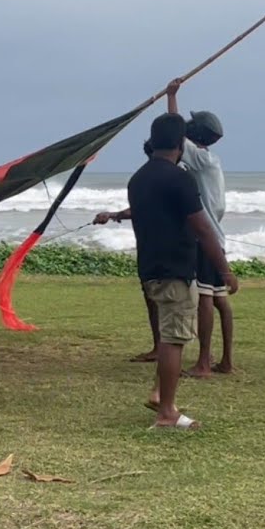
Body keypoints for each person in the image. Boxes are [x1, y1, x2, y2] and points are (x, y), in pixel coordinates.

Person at [127, 112, 238, 430]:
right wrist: (225, 271)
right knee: (174, 339)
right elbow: (203, 228)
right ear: (180, 143)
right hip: (176, 268)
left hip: (149, 266)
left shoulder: (138, 178)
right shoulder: (180, 178)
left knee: (167, 335)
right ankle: (167, 412)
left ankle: (159, 393)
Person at [164, 78, 235, 377]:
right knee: (219, 299)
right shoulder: (210, 160)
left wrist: (171, 96)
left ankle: (204, 362)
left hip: (205, 239)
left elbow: (173, 129)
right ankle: (226, 361)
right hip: (216, 239)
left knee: (205, 297)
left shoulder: (199, 158)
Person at [94, 139, 160, 362]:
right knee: (176, 298)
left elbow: (139, 209)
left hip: (149, 247)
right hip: (165, 247)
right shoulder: (174, 175)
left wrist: (113, 215)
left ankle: (161, 347)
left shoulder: (140, 178)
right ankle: (173, 349)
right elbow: (141, 209)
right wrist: (114, 215)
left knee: (154, 297)